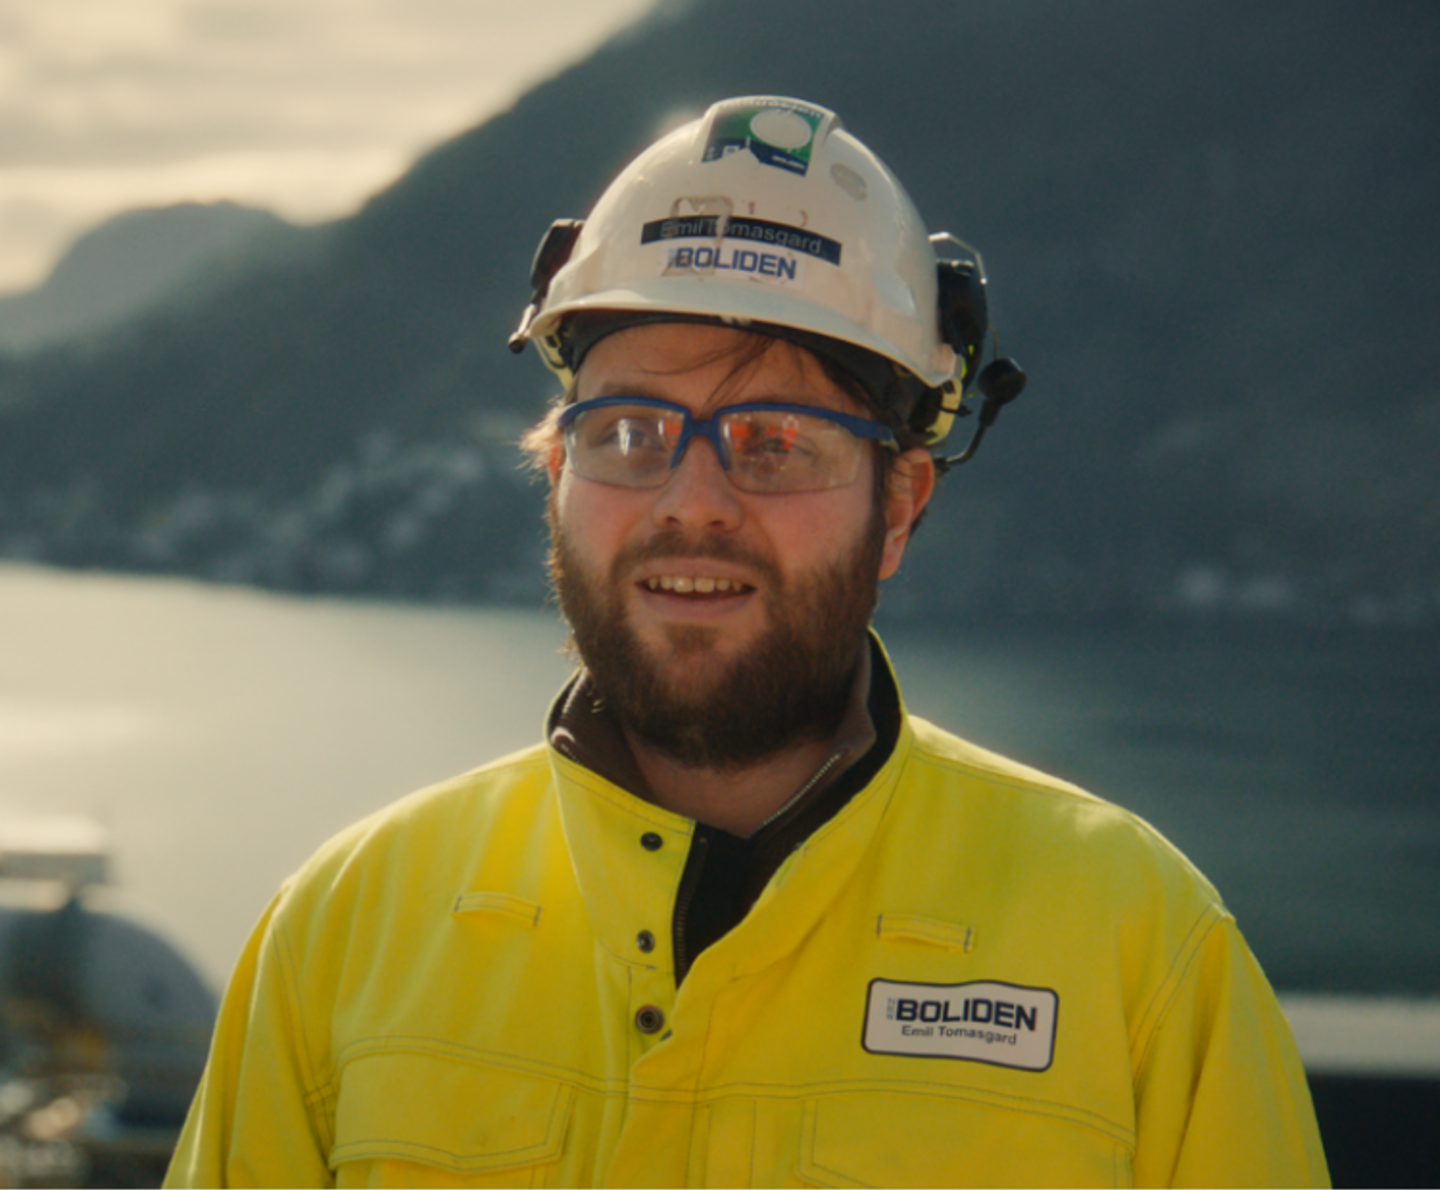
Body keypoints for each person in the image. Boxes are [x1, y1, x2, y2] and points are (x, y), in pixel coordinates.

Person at [165, 96, 1328, 1187]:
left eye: (775, 440)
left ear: (902, 505)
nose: (694, 499)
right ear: (560, 473)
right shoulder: (346, 928)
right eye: (628, 430)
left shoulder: (1139, 947)